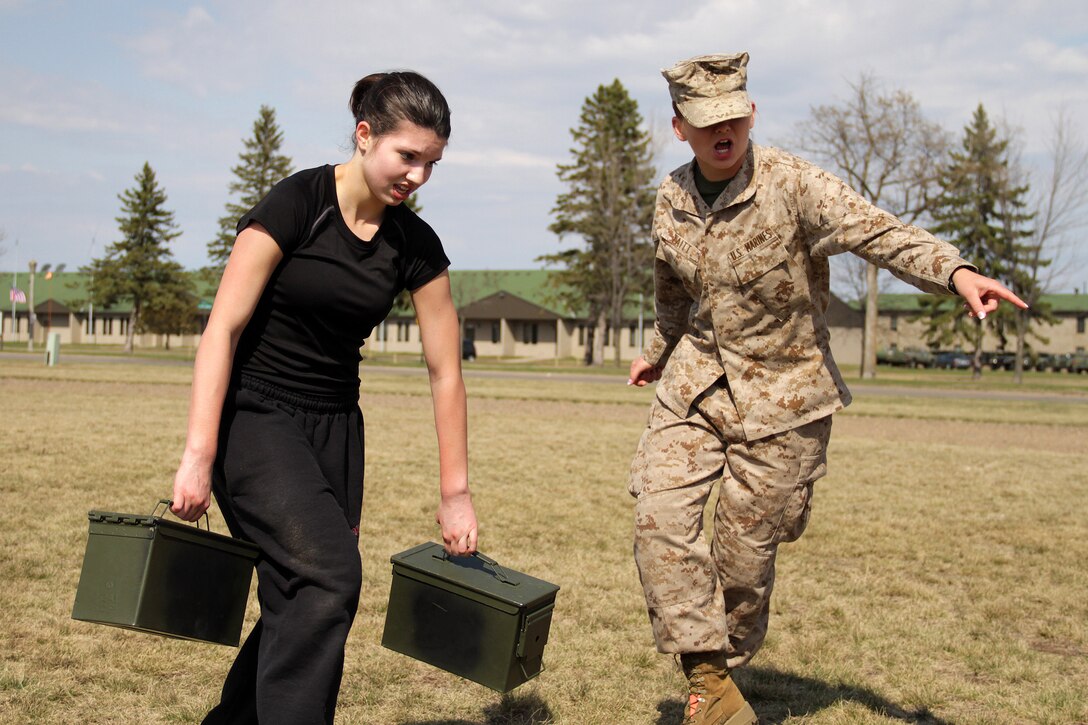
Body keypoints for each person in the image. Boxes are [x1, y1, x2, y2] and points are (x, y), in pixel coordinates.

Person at [627, 52, 1026, 725]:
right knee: (657, 517)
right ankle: (708, 677)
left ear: (749, 114)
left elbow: (880, 233)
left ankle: (723, 664)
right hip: (698, 385)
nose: (723, 131)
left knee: (745, 562)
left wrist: (956, 273)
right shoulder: (671, 196)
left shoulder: (795, 184)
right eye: (706, 121)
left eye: (733, 117)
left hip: (787, 395)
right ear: (679, 128)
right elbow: (671, 288)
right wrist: (659, 352)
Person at [169, 70, 478, 725]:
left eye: (432, 163)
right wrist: (198, 452)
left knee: (304, 594)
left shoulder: (413, 247)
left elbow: (445, 369)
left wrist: (456, 492)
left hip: (336, 431)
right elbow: (221, 327)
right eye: (408, 156)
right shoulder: (296, 204)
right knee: (328, 577)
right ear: (365, 136)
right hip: (255, 416)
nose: (417, 177)